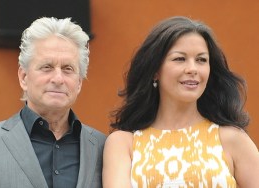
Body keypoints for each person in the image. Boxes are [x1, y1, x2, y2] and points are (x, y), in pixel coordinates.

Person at [103, 16, 259, 187]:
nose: (192, 69)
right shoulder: (124, 143)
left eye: (201, 60)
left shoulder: (233, 139)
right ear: (155, 70)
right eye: (179, 59)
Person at [0, 17, 106, 188]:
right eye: (47, 67)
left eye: (68, 69)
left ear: (79, 83)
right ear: (23, 77)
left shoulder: (104, 148)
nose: (58, 78)